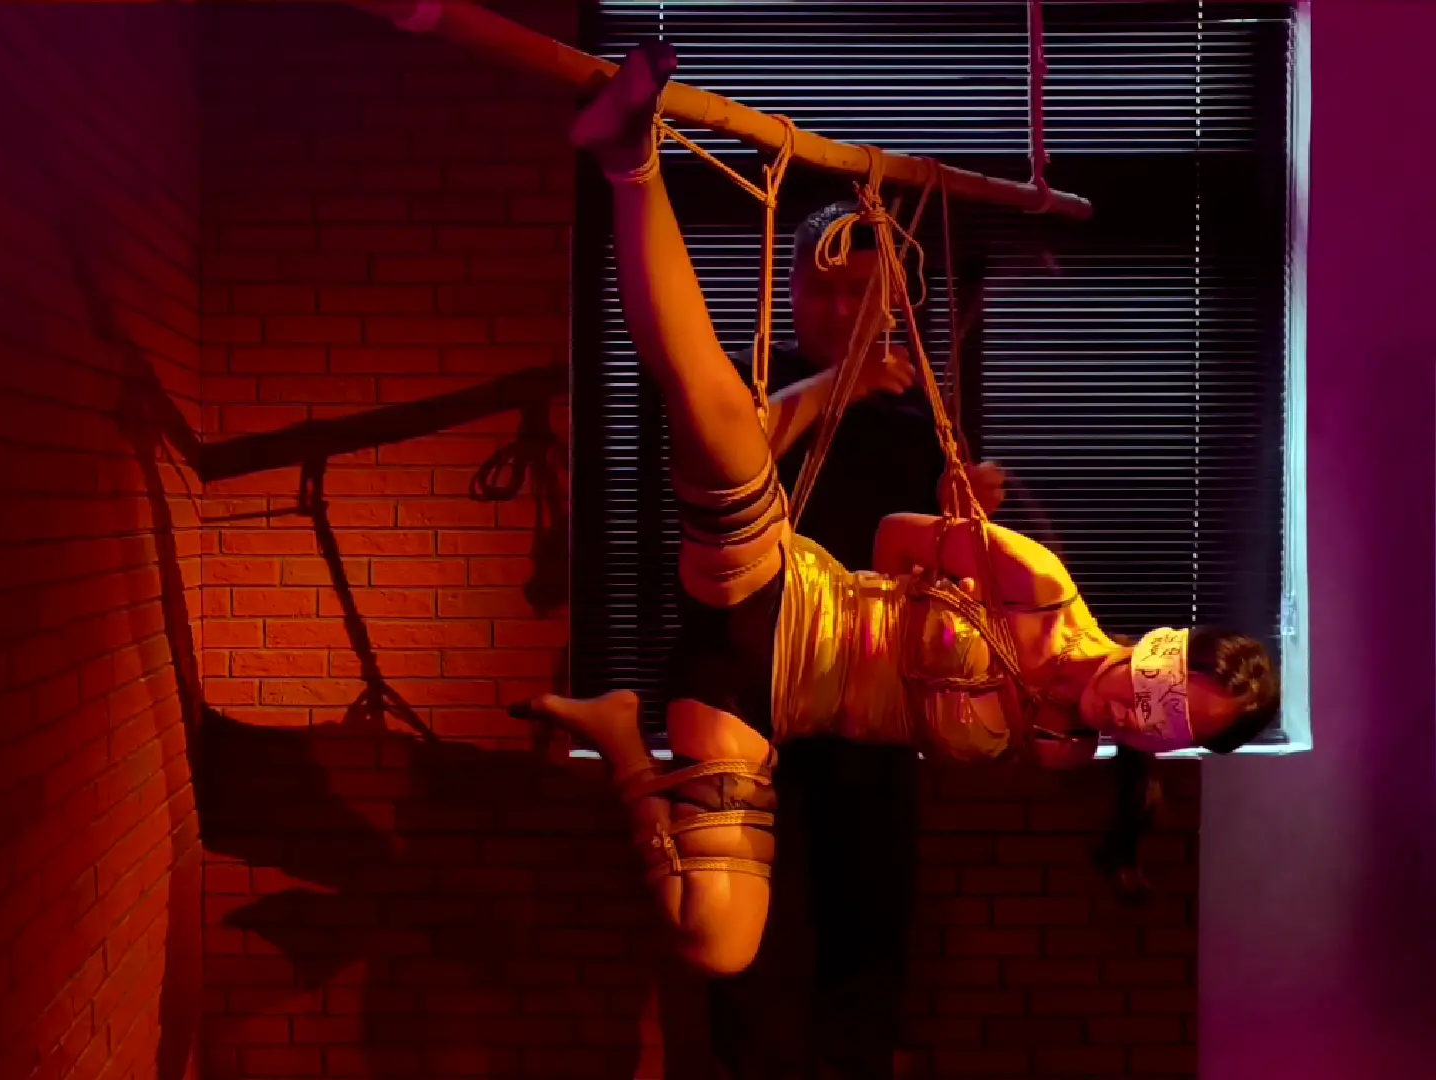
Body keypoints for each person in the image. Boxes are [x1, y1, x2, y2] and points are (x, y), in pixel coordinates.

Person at [514, 38, 1281, 979]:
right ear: (1162, 646)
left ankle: (621, 733)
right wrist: (954, 539)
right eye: (1159, 690)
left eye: (1164, 725)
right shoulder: (1039, 587)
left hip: (756, 706)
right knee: (709, 411)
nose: (1138, 708)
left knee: (717, 941)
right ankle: (630, 157)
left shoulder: (1065, 746)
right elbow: (886, 539)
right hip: (783, 598)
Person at [692, 196, 982, 1080]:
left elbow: (932, 564)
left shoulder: (915, 409)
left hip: (870, 696)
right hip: (760, 691)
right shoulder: (749, 386)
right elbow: (728, 457)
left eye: (860, 292)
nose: (840, 309)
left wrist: (965, 514)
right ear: (789, 289)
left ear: (891, 300)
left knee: (868, 916)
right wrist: (836, 386)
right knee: (745, 918)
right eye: (822, 291)